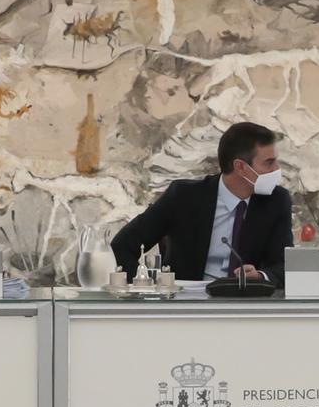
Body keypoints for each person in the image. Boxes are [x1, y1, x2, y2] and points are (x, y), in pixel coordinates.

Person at [111, 122, 292, 285]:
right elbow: (122, 245)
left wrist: (261, 276)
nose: (276, 169)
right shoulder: (183, 196)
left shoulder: (276, 201)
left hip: (246, 304)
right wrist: (146, 286)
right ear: (241, 167)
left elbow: (285, 265)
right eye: (269, 162)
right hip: (186, 303)